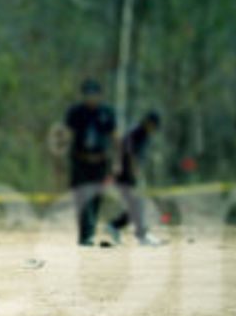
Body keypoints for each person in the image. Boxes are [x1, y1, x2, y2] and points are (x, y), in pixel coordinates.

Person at [64, 78, 117, 246]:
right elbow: (66, 135)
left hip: (101, 162)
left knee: (96, 198)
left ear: (99, 96)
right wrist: (60, 159)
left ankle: (88, 233)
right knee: (81, 198)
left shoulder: (107, 113)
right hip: (80, 160)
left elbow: (115, 138)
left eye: (94, 95)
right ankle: (86, 235)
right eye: (88, 94)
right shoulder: (76, 113)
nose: (91, 98)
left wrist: (117, 162)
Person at [106, 112, 163, 246]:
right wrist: (134, 171)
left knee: (136, 206)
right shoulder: (137, 133)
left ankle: (115, 226)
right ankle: (140, 235)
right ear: (149, 123)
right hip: (126, 176)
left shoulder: (142, 134)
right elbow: (129, 152)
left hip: (129, 175)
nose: (154, 130)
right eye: (154, 126)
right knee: (137, 206)